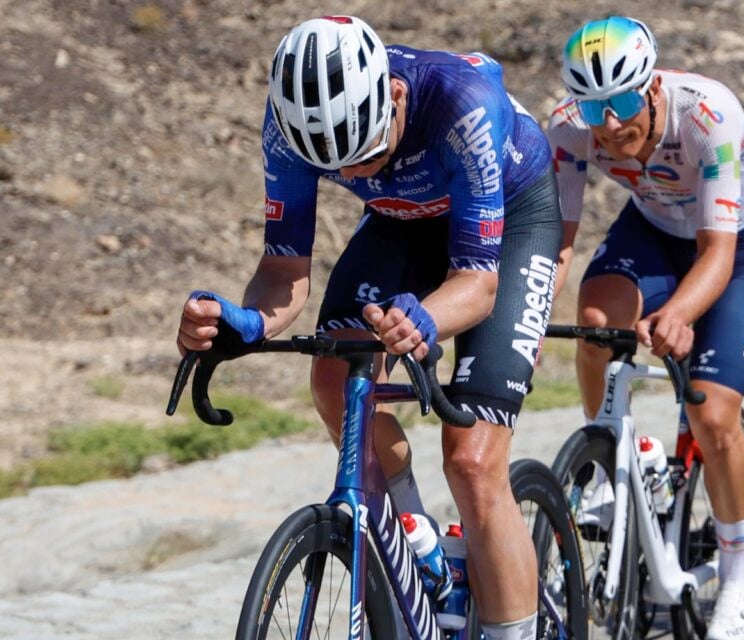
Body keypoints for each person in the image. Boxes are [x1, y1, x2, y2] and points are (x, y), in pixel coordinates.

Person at [175, 16, 561, 639]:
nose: (355, 176)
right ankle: (417, 540)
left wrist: (426, 319)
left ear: (395, 96)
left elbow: (479, 284)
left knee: (472, 459)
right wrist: (243, 323)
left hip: (509, 221)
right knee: (334, 379)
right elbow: (282, 272)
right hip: (402, 220)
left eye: (369, 156)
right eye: (339, 170)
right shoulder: (288, 127)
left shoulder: (462, 104)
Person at [548, 16, 744, 639]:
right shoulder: (570, 131)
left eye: (623, 102)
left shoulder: (710, 116)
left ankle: (736, 579)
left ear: (651, 89)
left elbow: (719, 255)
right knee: (595, 325)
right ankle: (606, 463)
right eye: (595, 108)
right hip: (651, 230)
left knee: (711, 414)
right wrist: (533, 303)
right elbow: (558, 241)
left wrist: (677, 314)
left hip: (735, 245)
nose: (611, 123)